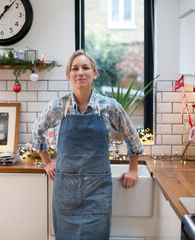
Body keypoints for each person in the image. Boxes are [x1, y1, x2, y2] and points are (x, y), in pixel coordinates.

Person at [32, 50, 143, 240]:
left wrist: (133, 169)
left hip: (97, 190)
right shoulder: (57, 106)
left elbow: (132, 136)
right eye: (75, 68)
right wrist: (48, 163)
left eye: (86, 68)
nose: (80, 72)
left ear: (94, 74)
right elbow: (37, 132)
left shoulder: (110, 106)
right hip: (66, 191)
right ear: (69, 76)